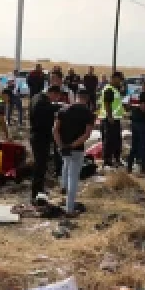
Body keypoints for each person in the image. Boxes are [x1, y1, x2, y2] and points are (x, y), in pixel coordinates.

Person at [54, 88, 94, 217]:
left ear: (76, 97)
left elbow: (55, 130)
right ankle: (69, 209)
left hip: (63, 147)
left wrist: (61, 145)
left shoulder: (63, 110)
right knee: (73, 178)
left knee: (65, 166)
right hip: (76, 149)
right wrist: (72, 146)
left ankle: (63, 190)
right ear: (86, 99)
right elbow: (87, 135)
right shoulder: (88, 113)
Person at [29, 85, 64, 202]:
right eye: (56, 97)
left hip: (40, 136)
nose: (56, 99)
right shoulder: (40, 102)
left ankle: (39, 189)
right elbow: (43, 110)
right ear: (52, 93)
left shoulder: (38, 97)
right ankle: (35, 193)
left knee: (42, 165)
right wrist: (57, 108)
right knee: (40, 165)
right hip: (39, 136)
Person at [126, 78, 145, 175]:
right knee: (142, 146)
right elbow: (143, 107)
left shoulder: (135, 92)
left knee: (135, 146)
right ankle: (142, 168)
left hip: (136, 121)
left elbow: (129, 105)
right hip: (143, 123)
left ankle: (129, 167)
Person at [99, 73, 125, 168]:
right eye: (119, 79)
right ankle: (107, 160)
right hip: (109, 118)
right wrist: (110, 117)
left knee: (116, 140)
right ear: (114, 78)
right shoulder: (109, 89)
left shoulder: (115, 89)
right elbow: (107, 103)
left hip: (115, 118)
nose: (120, 81)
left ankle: (116, 159)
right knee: (109, 140)